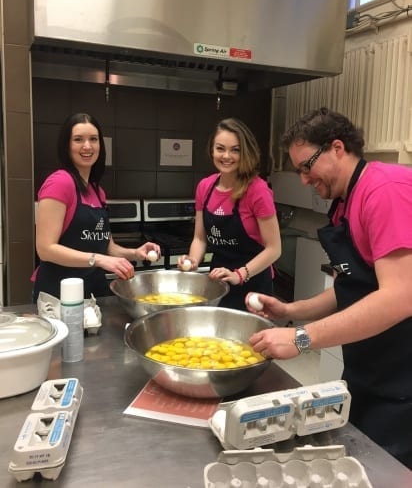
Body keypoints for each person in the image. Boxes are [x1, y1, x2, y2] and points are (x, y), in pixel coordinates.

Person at [246, 107, 412, 468]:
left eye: (307, 166)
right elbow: (354, 289)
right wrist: (291, 312)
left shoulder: (384, 191)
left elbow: (399, 297)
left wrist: (301, 338)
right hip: (370, 370)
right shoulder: (344, 204)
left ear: (337, 147)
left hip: (404, 382)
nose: (304, 180)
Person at [32, 112, 161, 301]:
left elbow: (107, 247)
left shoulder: (97, 192)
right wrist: (99, 260)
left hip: (93, 292)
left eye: (93, 139)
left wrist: (135, 253)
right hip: (59, 294)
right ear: (66, 146)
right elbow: (45, 248)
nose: (87, 146)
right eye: (78, 139)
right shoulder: (60, 183)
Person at [177, 117, 281, 310]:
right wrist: (192, 261)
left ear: (246, 152)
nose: (226, 156)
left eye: (236, 150)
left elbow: (274, 248)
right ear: (212, 150)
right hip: (218, 283)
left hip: (253, 286)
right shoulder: (205, 187)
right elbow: (200, 238)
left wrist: (239, 274)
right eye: (220, 148)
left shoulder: (258, 190)